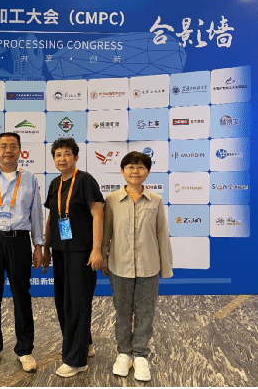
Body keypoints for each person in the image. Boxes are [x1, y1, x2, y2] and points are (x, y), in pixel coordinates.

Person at [0, 132, 44, 374]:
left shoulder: (30, 179)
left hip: (19, 241)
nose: (8, 150)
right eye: (3, 146)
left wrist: (38, 245)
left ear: (20, 151)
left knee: (21, 295)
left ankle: (25, 350)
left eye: (13, 146)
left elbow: (36, 214)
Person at [101, 151, 173, 382]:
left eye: (140, 167)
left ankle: (140, 355)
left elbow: (162, 234)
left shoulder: (156, 200)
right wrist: (103, 257)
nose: (135, 171)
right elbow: (106, 232)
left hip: (148, 267)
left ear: (147, 172)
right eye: (130, 167)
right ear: (122, 171)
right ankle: (124, 353)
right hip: (119, 266)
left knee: (145, 313)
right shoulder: (112, 200)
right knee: (122, 312)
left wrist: (166, 266)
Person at [43, 138, 104, 378]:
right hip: (60, 251)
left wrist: (96, 249)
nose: (62, 158)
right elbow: (52, 217)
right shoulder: (55, 183)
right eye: (58, 154)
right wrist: (46, 247)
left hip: (82, 252)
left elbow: (98, 214)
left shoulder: (85, 180)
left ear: (76, 158)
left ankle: (76, 360)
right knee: (64, 302)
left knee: (77, 303)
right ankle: (84, 344)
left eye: (67, 154)